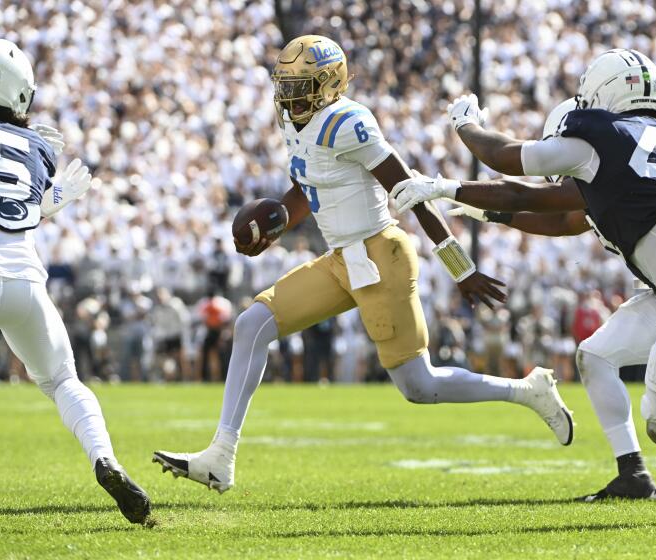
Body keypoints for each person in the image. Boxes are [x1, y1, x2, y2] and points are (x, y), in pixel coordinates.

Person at [152, 35, 574, 493]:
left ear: (329, 83)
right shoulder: (296, 123)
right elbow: (307, 190)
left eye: (301, 84)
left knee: (418, 385)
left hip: (381, 256)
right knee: (252, 323)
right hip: (340, 261)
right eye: (286, 83)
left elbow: (411, 192)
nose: (289, 94)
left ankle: (528, 390)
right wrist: (277, 225)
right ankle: (221, 456)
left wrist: (461, 267)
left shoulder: (347, 122)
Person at [392, 49, 656, 523]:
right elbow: (565, 215)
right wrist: (479, 205)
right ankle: (632, 474)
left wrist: (464, 130)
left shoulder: (598, 139)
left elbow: (509, 164)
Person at [0, 38, 150, 532]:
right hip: (27, 282)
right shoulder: (39, 147)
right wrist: (54, 197)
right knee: (64, 381)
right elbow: (17, 197)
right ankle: (105, 459)